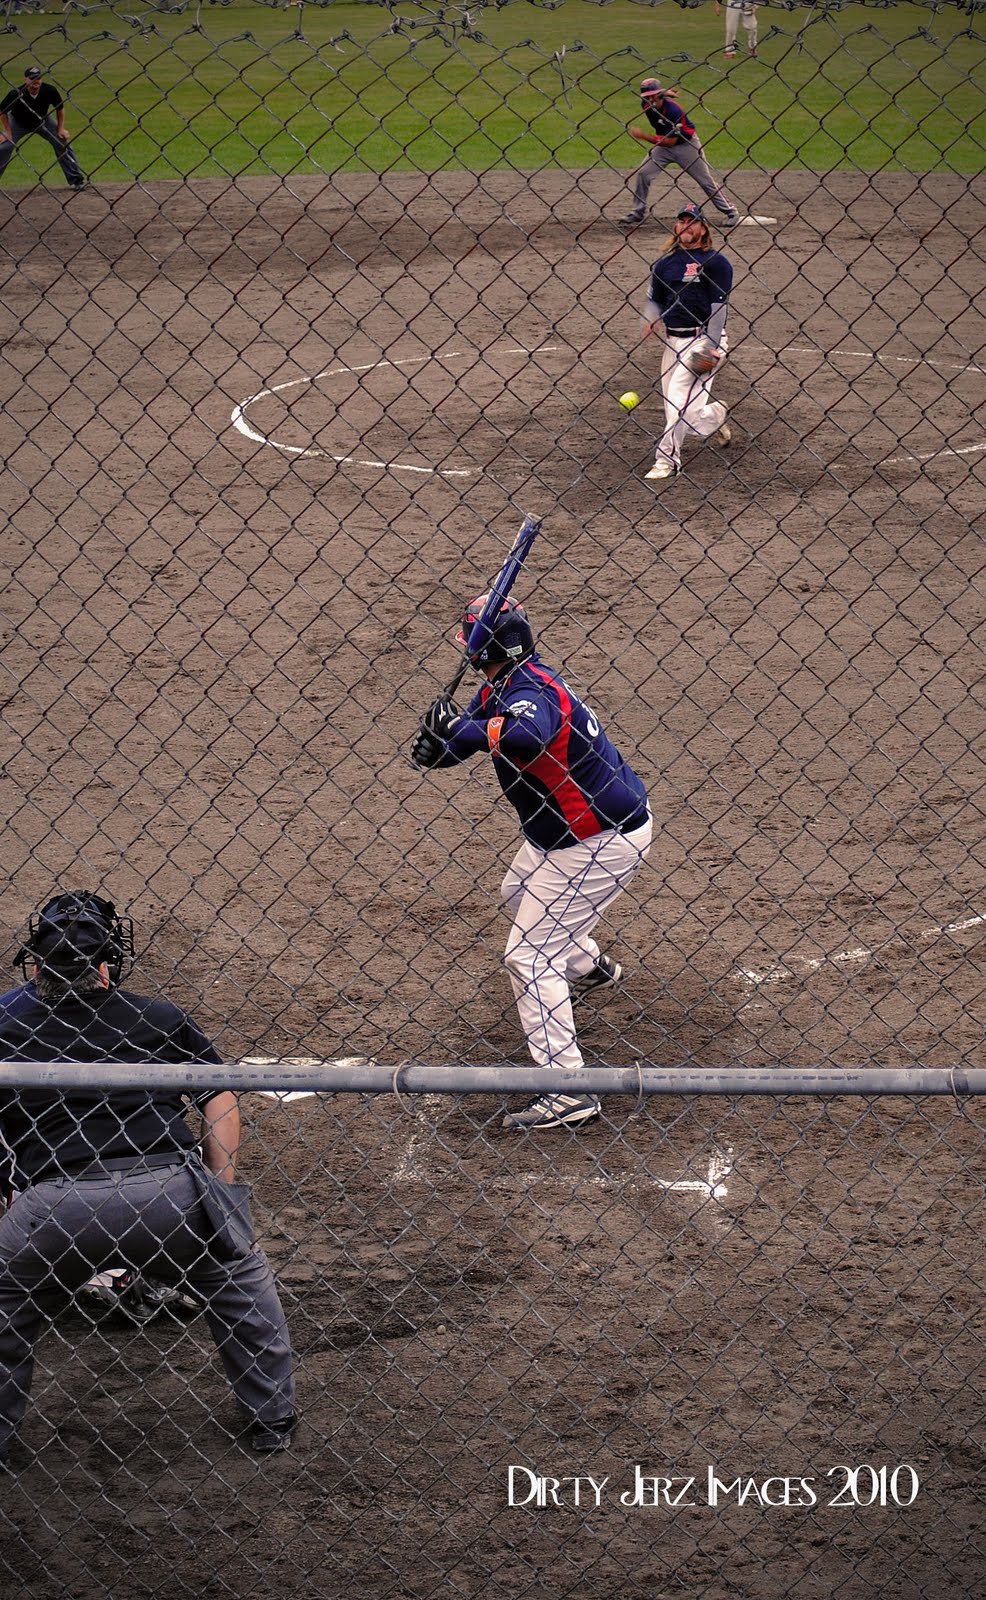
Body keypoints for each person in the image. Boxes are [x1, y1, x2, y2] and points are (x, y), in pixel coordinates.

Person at [0, 891, 296, 1464]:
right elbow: (219, 1095)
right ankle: (272, 1420)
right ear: (108, 963)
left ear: (35, 964)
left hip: (53, 1209)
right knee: (238, 1276)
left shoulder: (4, 1021)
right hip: (170, 1195)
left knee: (6, 1297)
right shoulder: (156, 1017)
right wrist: (219, 1193)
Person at [410, 599, 652, 1132]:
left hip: (596, 840)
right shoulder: (505, 684)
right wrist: (438, 745)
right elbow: (473, 734)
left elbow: (524, 736)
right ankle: (586, 966)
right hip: (563, 839)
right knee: (517, 892)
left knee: (527, 956)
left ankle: (568, 1090)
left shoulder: (531, 692)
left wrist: (464, 731)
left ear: (484, 650)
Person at [641, 201, 734, 482]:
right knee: (678, 409)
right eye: (682, 221)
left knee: (679, 401)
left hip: (702, 340)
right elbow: (654, 299)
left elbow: (720, 308)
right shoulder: (664, 264)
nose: (686, 226)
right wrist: (650, 319)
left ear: (703, 228)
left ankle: (666, 460)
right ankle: (715, 416)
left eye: (692, 221)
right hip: (672, 344)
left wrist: (712, 345)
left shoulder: (715, 263)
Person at [617, 77, 738, 230]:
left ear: (659, 95)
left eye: (653, 95)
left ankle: (731, 211)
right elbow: (664, 139)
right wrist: (665, 92)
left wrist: (643, 136)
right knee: (643, 173)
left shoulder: (673, 110)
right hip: (662, 146)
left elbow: (671, 142)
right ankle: (638, 211)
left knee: (704, 180)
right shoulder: (646, 105)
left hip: (686, 146)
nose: (650, 99)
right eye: (647, 97)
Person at [0, 66, 86, 193]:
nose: (36, 81)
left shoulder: (49, 90)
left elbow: (60, 108)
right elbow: (2, 112)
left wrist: (61, 128)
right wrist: (7, 132)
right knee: (4, 147)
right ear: (26, 80)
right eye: (32, 79)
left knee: (62, 142)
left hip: (43, 120)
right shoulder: (15, 93)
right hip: (18, 122)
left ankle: (77, 180)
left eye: (38, 78)